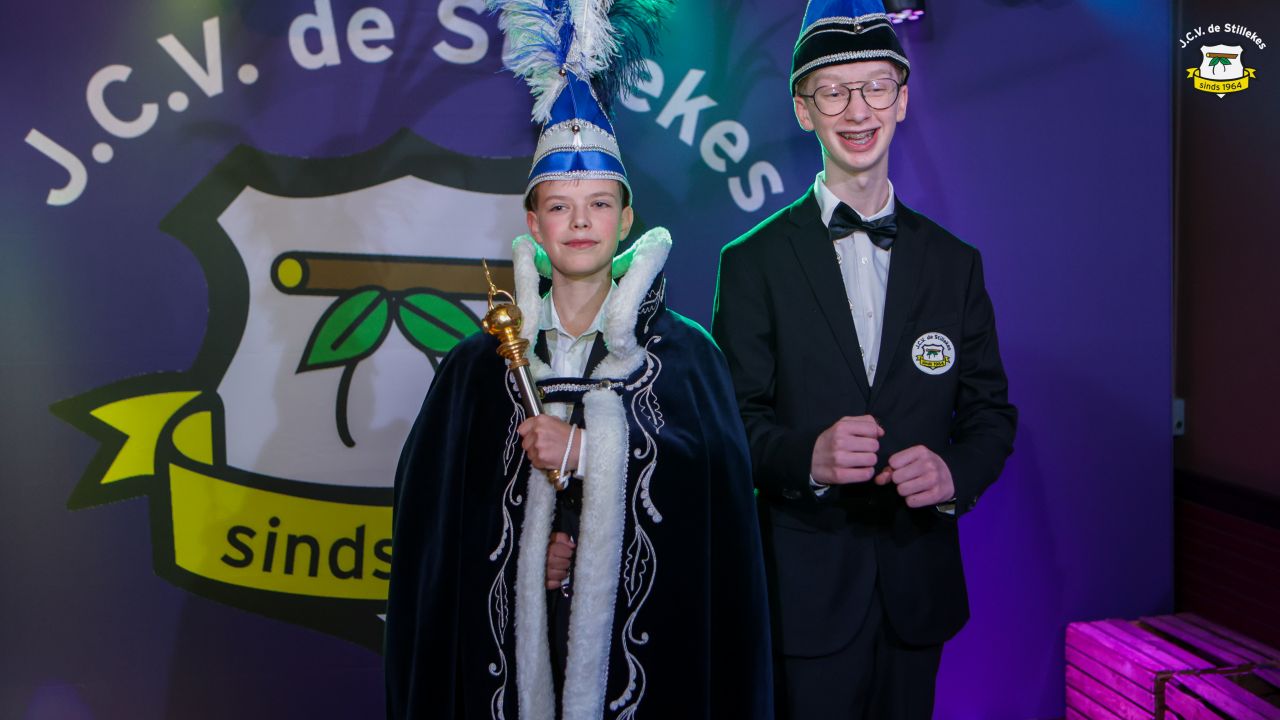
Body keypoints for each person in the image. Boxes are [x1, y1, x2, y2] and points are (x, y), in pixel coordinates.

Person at [385, 2, 772, 718]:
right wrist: (525, 561)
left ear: (625, 219)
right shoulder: (477, 369)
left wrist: (592, 452)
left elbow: (716, 515)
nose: (581, 222)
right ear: (534, 224)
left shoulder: (687, 358)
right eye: (560, 207)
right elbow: (435, 539)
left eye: (598, 204)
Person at [711, 1, 1018, 718]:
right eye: (833, 91)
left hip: (919, 588)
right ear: (803, 110)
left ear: (903, 99)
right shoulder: (753, 262)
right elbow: (732, 424)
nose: (858, 109)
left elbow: (991, 415)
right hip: (803, 594)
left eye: (876, 86)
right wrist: (808, 459)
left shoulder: (955, 265)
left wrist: (953, 474)